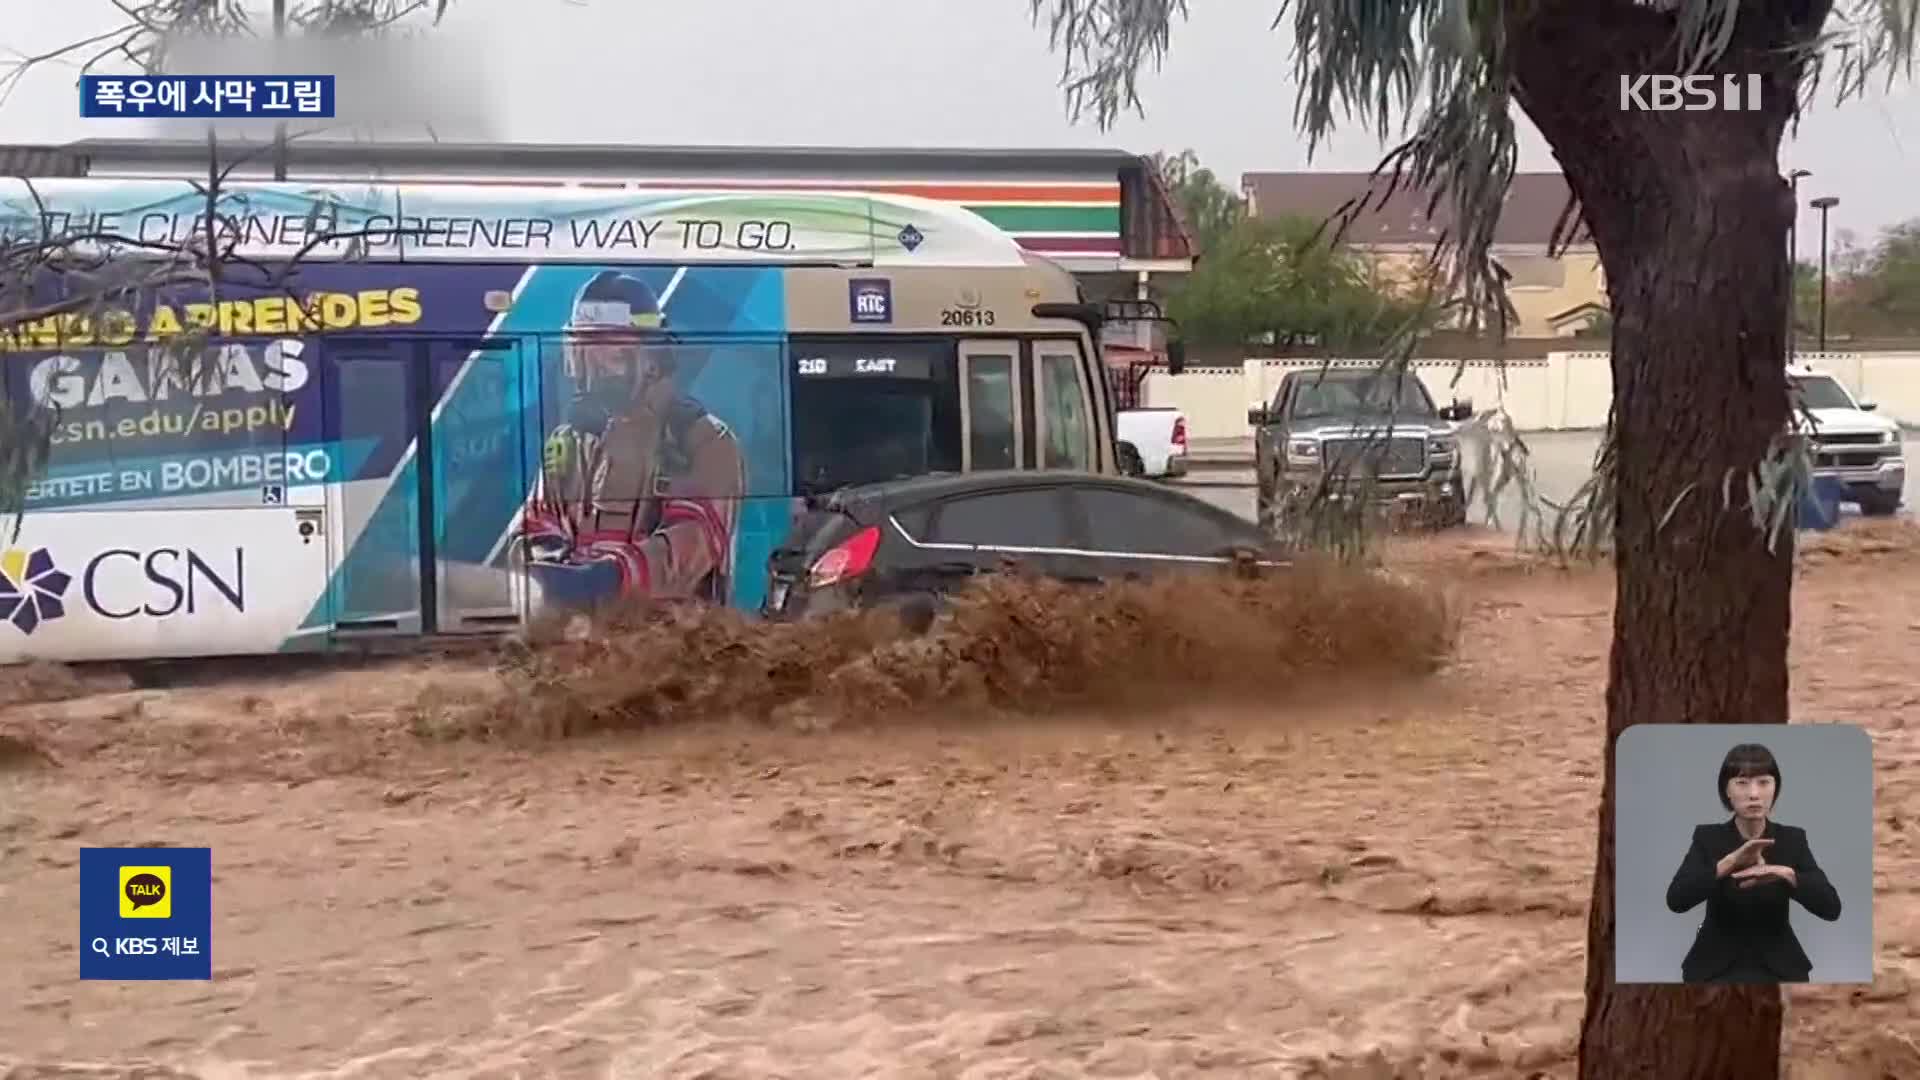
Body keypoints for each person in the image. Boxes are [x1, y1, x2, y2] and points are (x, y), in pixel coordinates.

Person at [517, 270, 746, 610]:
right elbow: (533, 522)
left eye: (611, 355)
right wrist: (545, 556)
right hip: (581, 641)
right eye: (583, 353)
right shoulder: (571, 440)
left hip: (671, 646)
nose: (594, 371)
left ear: (652, 358)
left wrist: (610, 578)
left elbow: (695, 541)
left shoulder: (703, 439)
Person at [1664, 742, 1843, 983]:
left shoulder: (1792, 839)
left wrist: (1787, 874)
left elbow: (1831, 908)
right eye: (1742, 783)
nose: (1754, 794)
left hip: (1780, 967)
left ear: (1775, 788)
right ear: (1726, 791)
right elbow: (1676, 900)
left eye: (1763, 782)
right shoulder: (1708, 837)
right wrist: (1727, 864)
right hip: (1714, 968)